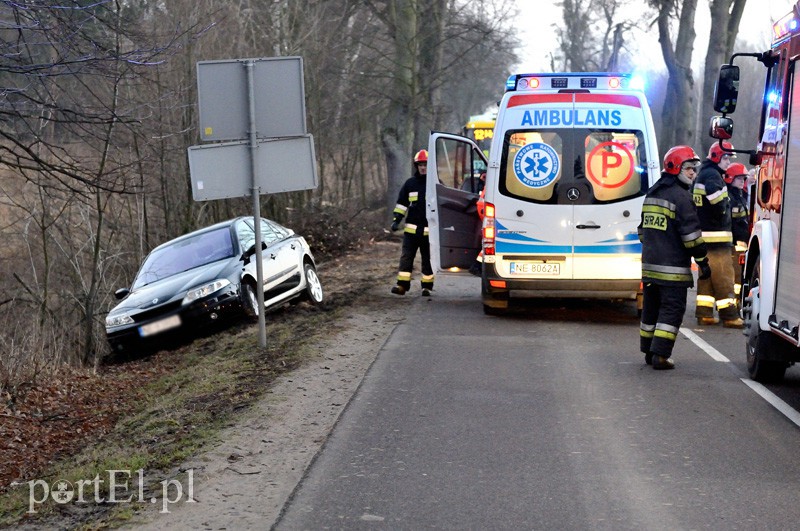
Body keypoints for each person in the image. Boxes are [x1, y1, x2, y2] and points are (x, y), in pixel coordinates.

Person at [639, 146, 711, 370]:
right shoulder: (681, 198)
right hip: (673, 271)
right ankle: (660, 355)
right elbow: (692, 238)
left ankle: (649, 351)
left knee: (651, 309)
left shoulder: (653, 193)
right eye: (688, 168)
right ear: (675, 168)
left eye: (694, 169)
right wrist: (703, 262)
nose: (693, 173)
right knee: (671, 309)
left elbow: (642, 231)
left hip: (649, 268)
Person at [691, 141, 744, 328]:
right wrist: (724, 208)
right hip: (716, 237)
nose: (728, 162)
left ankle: (704, 313)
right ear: (716, 157)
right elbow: (718, 203)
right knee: (724, 277)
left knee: (707, 275)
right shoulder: (713, 176)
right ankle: (730, 316)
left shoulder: (702, 175)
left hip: (704, 236)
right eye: (726, 158)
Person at [390, 149, 434, 296]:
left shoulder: (436, 184)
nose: (423, 167)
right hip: (411, 232)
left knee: (428, 260)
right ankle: (402, 286)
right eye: (420, 164)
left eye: (426, 164)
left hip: (430, 232)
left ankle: (427, 287)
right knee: (406, 258)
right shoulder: (410, 184)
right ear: (416, 166)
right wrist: (396, 220)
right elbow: (402, 204)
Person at [725, 162, 750, 297]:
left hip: (741, 243)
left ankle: (737, 303)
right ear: (730, 178)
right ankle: (731, 305)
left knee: (739, 277)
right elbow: (729, 222)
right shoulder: (729, 197)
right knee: (735, 277)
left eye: (744, 178)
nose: (743, 181)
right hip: (734, 244)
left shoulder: (740, 196)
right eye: (740, 178)